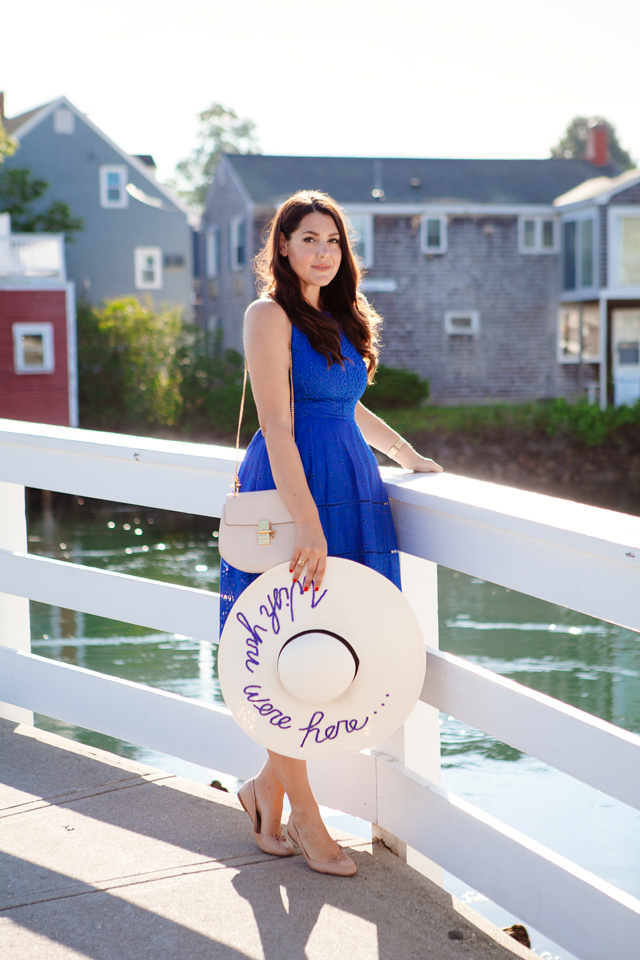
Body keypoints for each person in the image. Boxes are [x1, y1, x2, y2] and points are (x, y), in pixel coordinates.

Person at [220, 190, 443, 877]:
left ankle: (264, 792)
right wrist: (307, 523)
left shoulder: (338, 318)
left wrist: (405, 454)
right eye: (309, 238)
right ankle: (307, 819)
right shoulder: (269, 315)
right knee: (278, 648)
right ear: (281, 246)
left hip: (350, 483)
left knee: (334, 645)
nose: (323, 251)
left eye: (333, 241)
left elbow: (347, 406)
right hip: (293, 491)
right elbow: (279, 426)